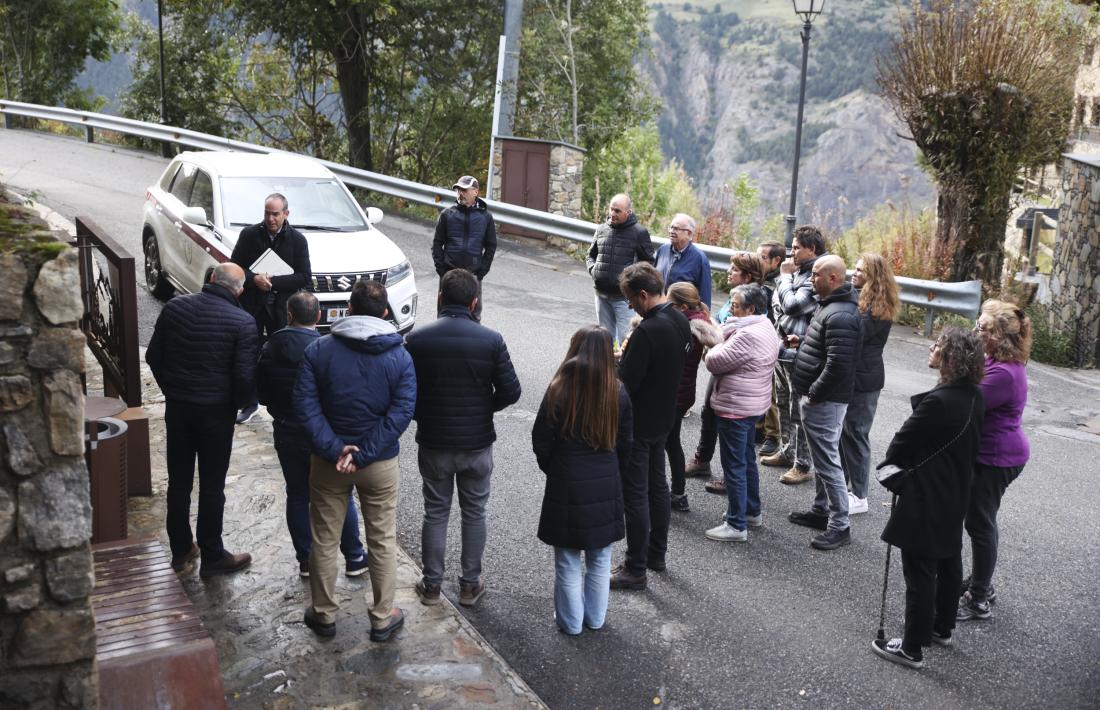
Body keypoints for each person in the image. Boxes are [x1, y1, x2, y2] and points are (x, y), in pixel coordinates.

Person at [294, 279, 416, 642]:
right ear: (383, 313)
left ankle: (324, 613)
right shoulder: (400, 356)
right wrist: (366, 452)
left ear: (348, 309)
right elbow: (401, 412)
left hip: (328, 462)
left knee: (324, 538)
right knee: (381, 539)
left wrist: (336, 450)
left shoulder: (319, 350)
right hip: (378, 465)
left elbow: (306, 405)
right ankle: (382, 617)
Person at [405, 269, 521, 608]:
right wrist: (485, 407)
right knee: (474, 513)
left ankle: (431, 586)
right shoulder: (491, 339)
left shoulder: (417, 340)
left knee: (435, 512)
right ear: (474, 302)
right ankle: (470, 586)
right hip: (477, 443)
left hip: (434, 441)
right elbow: (512, 391)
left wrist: (422, 414)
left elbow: (404, 393)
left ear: (440, 298)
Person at [871, 327, 985, 669]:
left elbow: (898, 449)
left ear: (950, 359)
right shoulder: (976, 397)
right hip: (955, 492)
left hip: (926, 495)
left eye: (939, 346)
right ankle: (941, 627)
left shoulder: (938, 401)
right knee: (949, 561)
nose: (932, 348)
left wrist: (901, 482)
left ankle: (910, 648)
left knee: (920, 572)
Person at [146, 263, 257, 578]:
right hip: (215, 414)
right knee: (212, 485)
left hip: (179, 409)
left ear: (211, 279)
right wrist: (233, 405)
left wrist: (174, 390)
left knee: (179, 480)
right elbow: (244, 378)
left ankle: (181, 550)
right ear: (240, 290)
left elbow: (154, 356)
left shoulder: (176, 307)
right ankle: (212, 554)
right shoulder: (243, 322)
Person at [256, 291, 368, 579]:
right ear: (318, 316)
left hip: (286, 429)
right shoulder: (324, 349)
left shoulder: (271, 346)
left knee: (297, 494)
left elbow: (262, 391)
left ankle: (306, 560)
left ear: (289, 315)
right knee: (339, 495)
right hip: (322, 435)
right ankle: (354, 556)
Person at [532, 326, 632, 635]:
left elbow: (541, 439)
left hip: (567, 481)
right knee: (600, 559)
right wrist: (614, 471)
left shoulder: (559, 387)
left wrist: (556, 468)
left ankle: (570, 622)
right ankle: (596, 618)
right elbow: (627, 445)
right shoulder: (617, 391)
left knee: (567, 559)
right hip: (605, 481)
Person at [609, 263, 690, 590]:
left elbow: (626, 383)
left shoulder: (647, 331)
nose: (629, 305)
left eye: (630, 299)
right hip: (665, 416)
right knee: (658, 488)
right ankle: (656, 555)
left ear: (644, 295)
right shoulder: (681, 320)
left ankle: (635, 566)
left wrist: (618, 360)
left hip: (639, 422)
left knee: (635, 495)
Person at [957, 300, 1031, 622]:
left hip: (998, 457)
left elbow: (964, 404)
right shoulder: (994, 360)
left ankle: (979, 598)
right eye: (978, 324)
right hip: (993, 453)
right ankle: (981, 583)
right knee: (981, 520)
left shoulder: (1004, 373)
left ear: (999, 336)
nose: (976, 331)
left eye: (983, 328)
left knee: (979, 523)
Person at [786, 254, 861, 551]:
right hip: (820, 397)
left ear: (833, 279)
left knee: (828, 462)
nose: (810, 278)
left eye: (816, 274)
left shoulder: (841, 313)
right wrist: (803, 343)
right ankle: (821, 511)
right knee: (822, 458)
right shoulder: (830, 306)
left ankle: (839, 525)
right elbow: (827, 350)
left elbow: (838, 364)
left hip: (825, 400)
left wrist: (815, 392)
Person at [703, 284, 781, 542]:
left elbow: (714, 361)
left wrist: (713, 346)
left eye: (735, 305)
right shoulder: (765, 326)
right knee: (746, 460)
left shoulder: (747, 335)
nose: (731, 309)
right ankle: (751, 511)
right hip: (751, 405)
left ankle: (736, 524)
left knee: (734, 465)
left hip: (736, 406)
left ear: (751, 308)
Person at [685, 252, 766, 495]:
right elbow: (720, 321)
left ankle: (733, 479)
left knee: (733, 427)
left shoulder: (752, 299)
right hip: (724, 357)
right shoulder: (734, 297)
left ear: (748, 276)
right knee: (709, 411)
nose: (729, 272)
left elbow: (729, 328)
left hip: (737, 370)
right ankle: (702, 460)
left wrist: (715, 337)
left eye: (735, 269)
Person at [231, 192, 312, 424]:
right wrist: (253, 278)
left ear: (286, 214)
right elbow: (235, 266)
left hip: (280, 308)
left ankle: (281, 402)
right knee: (247, 354)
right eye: (267, 213)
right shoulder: (249, 235)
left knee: (282, 355)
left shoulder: (297, 240)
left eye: (275, 214)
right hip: (253, 305)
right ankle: (249, 402)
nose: (271, 218)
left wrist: (273, 282)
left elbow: (304, 276)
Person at [763, 226, 828, 485]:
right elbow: (778, 308)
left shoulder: (815, 274)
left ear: (811, 249)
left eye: (797, 247)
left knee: (798, 408)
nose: (792, 252)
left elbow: (792, 305)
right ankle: (787, 451)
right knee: (782, 402)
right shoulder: (797, 272)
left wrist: (784, 279)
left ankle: (802, 464)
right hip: (782, 348)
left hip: (800, 352)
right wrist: (786, 290)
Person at [840, 254, 899, 515]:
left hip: (866, 381)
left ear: (873, 276)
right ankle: (842, 488)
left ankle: (860, 495)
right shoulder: (859, 297)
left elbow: (856, 334)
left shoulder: (877, 306)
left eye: (860, 270)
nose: (854, 273)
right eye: (854, 268)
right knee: (844, 434)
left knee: (856, 434)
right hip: (855, 377)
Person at [664, 282, 721, 513]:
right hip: (684, 392)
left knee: (665, 442)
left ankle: (674, 493)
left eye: (670, 303)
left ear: (683, 306)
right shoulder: (697, 323)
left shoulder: (684, 327)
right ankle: (678, 493)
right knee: (671, 442)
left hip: (673, 393)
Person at [586, 194, 656, 346]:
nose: (612, 214)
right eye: (611, 209)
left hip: (625, 299)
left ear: (628, 212)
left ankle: (625, 369)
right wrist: (594, 270)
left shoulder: (639, 232)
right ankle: (608, 369)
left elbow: (649, 263)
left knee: (627, 339)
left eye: (617, 211)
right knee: (605, 340)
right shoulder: (601, 229)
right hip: (601, 295)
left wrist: (633, 283)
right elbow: (590, 255)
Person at [431, 175, 497, 322]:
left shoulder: (486, 217)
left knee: (474, 317)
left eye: (464, 190)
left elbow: (491, 246)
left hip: (473, 275)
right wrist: (442, 271)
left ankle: (472, 344)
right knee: (443, 315)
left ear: (475, 191)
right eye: (458, 189)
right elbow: (437, 243)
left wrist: (481, 272)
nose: (460, 193)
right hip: (449, 273)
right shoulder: (447, 214)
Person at [756, 241, 786, 457]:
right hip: (757, 338)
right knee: (757, 384)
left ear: (777, 261)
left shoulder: (780, 283)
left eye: (763, 258)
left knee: (773, 391)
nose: (759, 261)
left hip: (774, 339)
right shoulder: (759, 278)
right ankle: (758, 427)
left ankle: (772, 435)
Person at [655, 213, 712, 309]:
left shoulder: (699, 259)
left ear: (689, 233)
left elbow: (704, 296)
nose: (671, 231)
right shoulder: (663, 250)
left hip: (681, 314)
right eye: (671, 227)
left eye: (676, 229)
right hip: (657, 309)